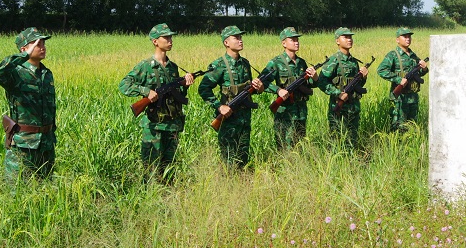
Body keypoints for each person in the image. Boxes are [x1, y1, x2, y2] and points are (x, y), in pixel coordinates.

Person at [118, 23, 196, 176]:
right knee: (151, 168)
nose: (170, 40)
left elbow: (177, 95)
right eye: (166, 37)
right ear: (155, 41)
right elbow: (124, 85)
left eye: (171, 37)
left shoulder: (173, 67)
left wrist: (185, 85)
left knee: (169, 168)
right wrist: (146, 91)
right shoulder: (146, 66)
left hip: (172, 124)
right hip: (154, 126)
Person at [0, 27, 56, 182]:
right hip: (23, 144)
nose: (42, 47)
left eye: (43, 43)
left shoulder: (47, 74)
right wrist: (24, 56)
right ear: (24, 48)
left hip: (46, 142)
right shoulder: (15, 73)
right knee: (18, 190)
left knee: (45, 188)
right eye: (37, 43)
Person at [197, 26, 263, 168]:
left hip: (245, 117)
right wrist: (219, 106)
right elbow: (203, 89)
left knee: (243, 154)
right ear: (226, 43)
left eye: (241, 37)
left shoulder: (245, 63)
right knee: (229, 157)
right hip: (229, 118)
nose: (240, 40)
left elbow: (249, 90)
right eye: (236, 38)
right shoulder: (219, 65)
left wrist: (258, 87)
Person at [262, 27, 319, 151]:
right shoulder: (276, 63)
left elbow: (309, 85)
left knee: (300, 143)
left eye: (297, 39)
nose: (296, 42)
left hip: (301, 110)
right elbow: (262, 82)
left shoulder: (301, 63)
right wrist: (278, 90)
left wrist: (314, 77)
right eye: (292, 39)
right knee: (284, 146)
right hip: (285, 111)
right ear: (284, 43)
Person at [316, 27, 369, 149]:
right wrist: (337, 93)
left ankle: (351, 163)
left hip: (353, 106)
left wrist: (364, 77)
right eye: (345, 37)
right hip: (339, 107)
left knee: (352, 139)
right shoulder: (333, 60)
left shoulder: (354, 62)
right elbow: (322, 81)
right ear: (337, 41)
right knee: (337, 140)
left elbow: (357, 86)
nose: (349, 39)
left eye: (350, 37)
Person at [377, 27, 428, 133]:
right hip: (399, 98)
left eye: (409, 36)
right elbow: (381, 70)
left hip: (413, 97)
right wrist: (398, 79)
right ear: (397, 40)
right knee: (398, 127)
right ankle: (397, 147)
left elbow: (419, 74)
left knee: (412, 126)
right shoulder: (393, 55)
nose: (408, 38)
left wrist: (424, 68)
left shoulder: (413, 56)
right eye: (404, 36)